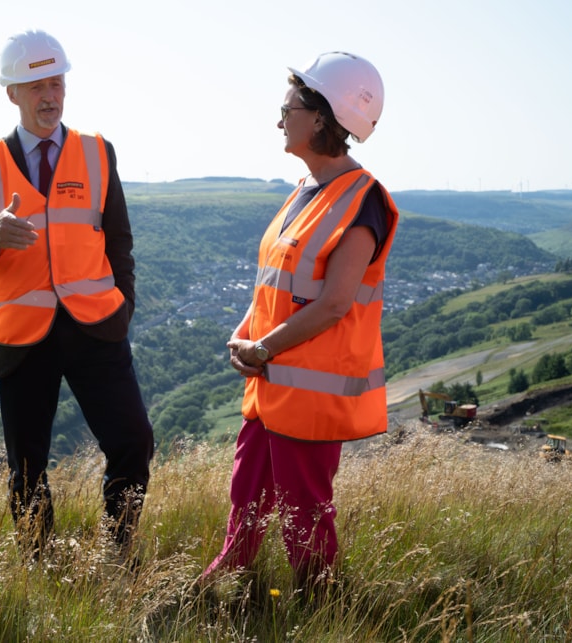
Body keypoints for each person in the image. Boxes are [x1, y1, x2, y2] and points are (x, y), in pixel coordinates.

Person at [201, 52, 399, 600]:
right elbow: (277, 284)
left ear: (320, 117)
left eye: (287, 109)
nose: (279, 120)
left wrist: (262, 348)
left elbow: (334, 303)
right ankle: (219, 591)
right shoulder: (306, 189)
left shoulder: (362, 201)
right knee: (246, 499)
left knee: (304, 518)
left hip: (309, 393)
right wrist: (246, 334)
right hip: (269, 384)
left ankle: (321, 611)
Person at [0, 29, 154, 561]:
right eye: (36, 85)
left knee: (134, 442)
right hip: (22, 338)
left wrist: (123, 307)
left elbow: (119, 241)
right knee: (27, 467)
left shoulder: (97, 152)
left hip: (97, 327)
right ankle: (39, 567)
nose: (50, 96)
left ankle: (118, 550)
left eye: (57, 83)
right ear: (12, 93)